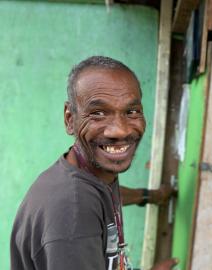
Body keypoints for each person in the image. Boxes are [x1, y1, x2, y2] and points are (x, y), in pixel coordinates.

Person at [10, 56, 178, 270]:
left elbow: (104, 197)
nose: (120, 130)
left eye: (131, 112)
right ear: (70, 119)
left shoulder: (88, 175)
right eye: (98, 113)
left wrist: (150, 196)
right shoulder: (73, 215)